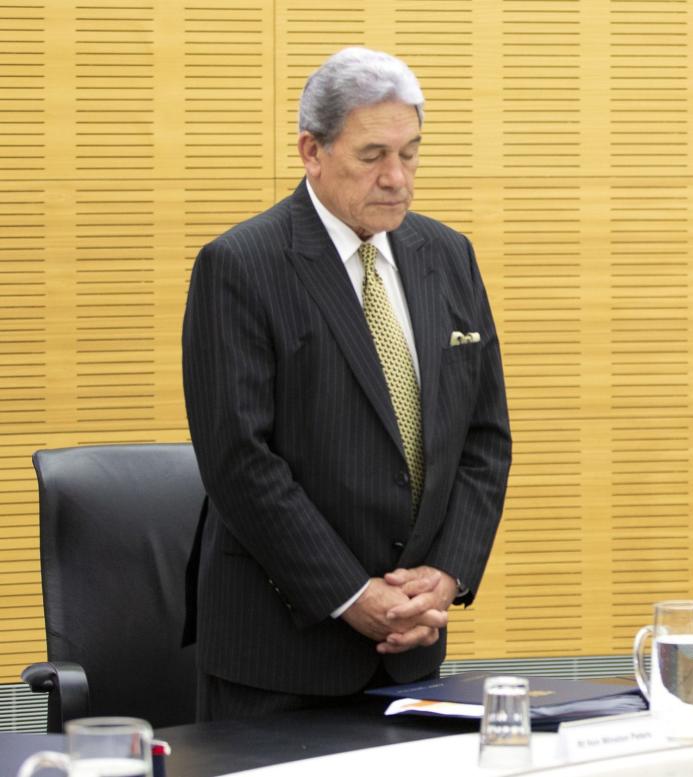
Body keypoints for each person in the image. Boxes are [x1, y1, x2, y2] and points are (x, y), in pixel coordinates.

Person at [182, 47, 512, 719]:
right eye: (373, 156)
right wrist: (351, 594)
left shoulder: (448, 256)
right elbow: (239, 459)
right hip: (278, 656)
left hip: (412, 651)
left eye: (411, 153)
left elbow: (482, 436)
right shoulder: (241, 266)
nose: (397, 178)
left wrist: (446, 574)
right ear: (312, 151)